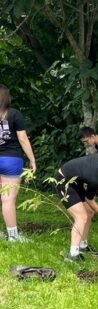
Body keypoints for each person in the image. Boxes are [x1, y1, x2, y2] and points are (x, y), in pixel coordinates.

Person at [55, 154, 98, 261]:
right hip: (64, 180)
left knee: (89, 213)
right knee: (81, 217)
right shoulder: (94, 179)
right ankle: (72, 254)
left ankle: (83, 246)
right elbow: (89, 199)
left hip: (77, 181)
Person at [0, 85, 36, 242]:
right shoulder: (14, 114)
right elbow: (22, 139)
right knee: (8, 200)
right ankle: (13, 236)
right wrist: (32, 160)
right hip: (11, 160)